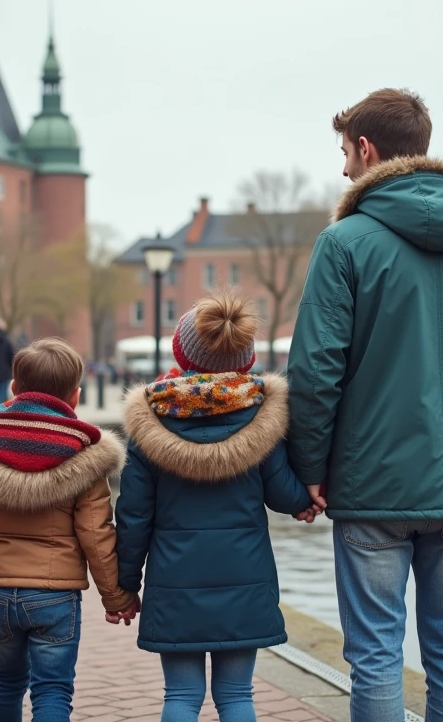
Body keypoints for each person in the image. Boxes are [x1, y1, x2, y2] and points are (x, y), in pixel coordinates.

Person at [285, 89, 443, 722]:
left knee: (373, 654)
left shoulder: (344, 244)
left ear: (367, 149)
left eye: (346, 152)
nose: (344, 168)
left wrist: (310, 467)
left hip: (373, 485)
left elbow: (316, 371)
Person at [117, 292, 319, 722]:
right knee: (236, 695)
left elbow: (133, 516)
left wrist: (125, 585)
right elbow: (283, 493)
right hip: (244, 580)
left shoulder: (150, 422)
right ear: (246, 359)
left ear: (181, 352)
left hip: (174, 584)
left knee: (181, 697)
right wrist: (307, 500)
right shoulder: (262, 417)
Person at [0, 338, 135, 721]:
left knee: (5, 681)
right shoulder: (85, 458)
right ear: (74, 396)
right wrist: (116, 597)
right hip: (55, 600)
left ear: (13, 388)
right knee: (53, 690)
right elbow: (96, 536)